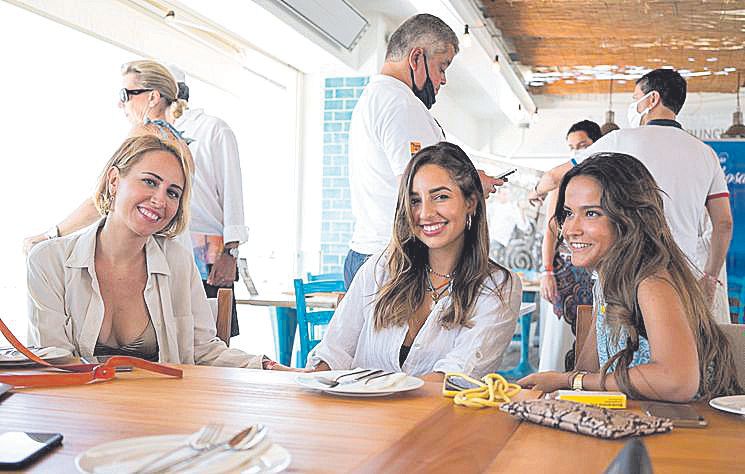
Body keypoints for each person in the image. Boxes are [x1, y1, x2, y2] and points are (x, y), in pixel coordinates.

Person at [26, 134, 271, 368]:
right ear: (114, 181)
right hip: (74, 408)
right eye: (150, 182)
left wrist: (270, 366)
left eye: (172, 192)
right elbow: (51, 359)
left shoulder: (178, 262)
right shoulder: (48, 261)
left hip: (160, 408)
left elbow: (205, 351)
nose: (160, 200)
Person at [520, 153, 741, 401]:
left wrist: (569, 380)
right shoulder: (606, 279)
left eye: (591, 213)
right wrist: (567, 383)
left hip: (688, 429)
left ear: (629, 219)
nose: (571, 230)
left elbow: (677, 381)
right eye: (568, 213)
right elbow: (588, 369)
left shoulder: (650, 281)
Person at [308, 142, 521, 380]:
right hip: (359, 416)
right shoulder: (382, 267)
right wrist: (305, 379)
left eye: (440, 197)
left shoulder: (498, 286)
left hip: (440, 418)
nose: (425, 213)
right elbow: (334, 351)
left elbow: (456, 377)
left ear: (470, 201)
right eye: (415, 200)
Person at [529, 69, 732, 308]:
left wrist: (536, 192)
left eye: (636, 98)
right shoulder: (706, 154)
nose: (634, 105)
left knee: (618, 342)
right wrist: (709, 277)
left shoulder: (620, 140)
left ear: (652, 99)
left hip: (625, 272)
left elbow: (555, 176)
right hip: (683, 276)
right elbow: (723, 223)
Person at [344, 14, 504, 288]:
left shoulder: (378, 96)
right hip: (394, 259)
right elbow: (418, 188)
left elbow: (418, 177)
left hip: (374, 253)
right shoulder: (400, 104)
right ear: (416, 58)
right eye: (442, 67)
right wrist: (473, 185)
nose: (442, 80)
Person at [23, 59, 193, 252]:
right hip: (176, 253)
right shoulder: (182, 145)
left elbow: (105, 195)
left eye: (126, 94)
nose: (120, 104)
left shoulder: (144, 134)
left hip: (145, 253)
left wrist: (50, 235)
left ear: (153, 97)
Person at [170, 66, 248, 337]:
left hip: (209, 259)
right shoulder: (149, 134)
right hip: (167, 257)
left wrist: (231, 254)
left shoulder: (213, 129)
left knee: (212, 341)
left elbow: (233, 195)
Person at [538, 120, 600, 372]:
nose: (577, 153)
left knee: (596, 336)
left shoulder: (606, 182)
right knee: (561, 339)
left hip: (596, 270)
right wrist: (547, 271)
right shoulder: (562, 183)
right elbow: (551, 231)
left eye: (583, 146)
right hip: (565, 271)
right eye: (572, 148)